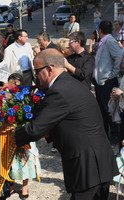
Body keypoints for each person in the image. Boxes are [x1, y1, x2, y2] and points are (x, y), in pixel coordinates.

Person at [15, 48, 119, 200]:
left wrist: (10, 137)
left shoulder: (59, 91)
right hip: (98, 162)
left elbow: (35, 130)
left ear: (49, 69)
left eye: (37, 71)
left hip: (88, 165)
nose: (36, 76)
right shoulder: (71, 83)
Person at [7, 73, 42, 200]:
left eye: (18, 83)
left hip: (25, 131)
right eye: (13, 82)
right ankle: (9, 185)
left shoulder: (27, 97)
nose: (15, 85)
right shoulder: (4, 95)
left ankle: (25, 186)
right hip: (9, 132)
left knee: (26, 159)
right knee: (9, 160)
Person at [94, 20, 122, 138]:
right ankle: (105, 134)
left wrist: (112, 73)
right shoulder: (103, 41)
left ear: (99, 30)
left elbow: (119, 56)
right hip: (100, 82)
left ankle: (114, 136)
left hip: (107, 82)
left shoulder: (110, 41)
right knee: (102, 111)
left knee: (109, 110)